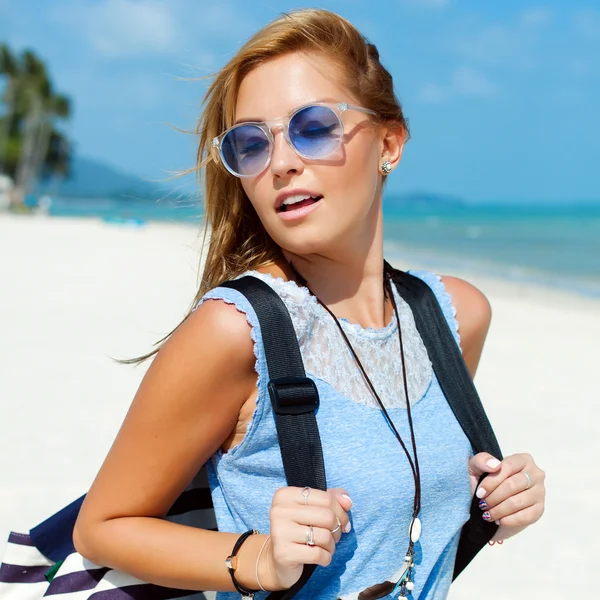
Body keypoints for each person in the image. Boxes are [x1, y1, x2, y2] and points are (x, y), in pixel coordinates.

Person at [72, 9, 546, 599]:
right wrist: (259, 558)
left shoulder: (455, 315)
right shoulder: (234, 331)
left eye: (313, 127)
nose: (281, 162)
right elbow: (103, 527)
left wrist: (502, 501)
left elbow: (408, 483)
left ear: (389, 143)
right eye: (251, 144)